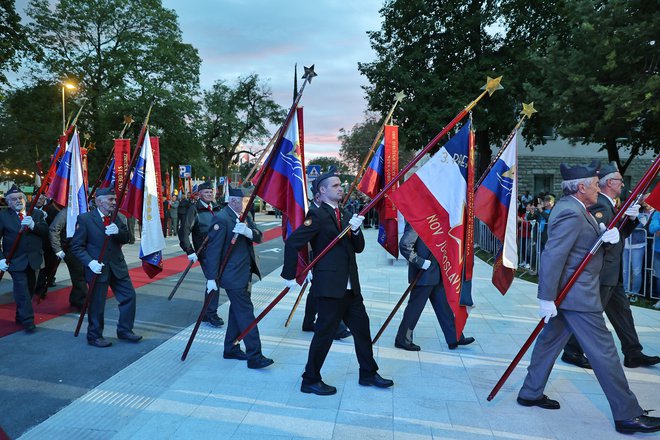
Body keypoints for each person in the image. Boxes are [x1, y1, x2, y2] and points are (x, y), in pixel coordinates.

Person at [516, 161, 660, 435]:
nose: (599, 187)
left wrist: (606, 240)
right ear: (581, 188)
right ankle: (628, 414)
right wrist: (545, 297)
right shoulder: (570, 212)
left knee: (548, 344)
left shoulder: (578, 209)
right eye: (595, 184)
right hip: (578, 297)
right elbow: (553, 255)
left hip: (571, 295)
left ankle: (530, 392)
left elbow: (579, 250)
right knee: (606, 354)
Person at [282, 171, 393, 396]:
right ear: (322, 191)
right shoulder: (317, 215)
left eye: (340, 185)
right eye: (334, 185)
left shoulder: (346, 213)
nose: (340, 188)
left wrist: (355, 230)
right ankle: (310, 379)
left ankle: (368, 373)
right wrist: (289, 276)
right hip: (330, 288)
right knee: (324, 334)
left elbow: (358, 248)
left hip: (351, 287)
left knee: (362, 331)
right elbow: (293, 243)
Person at [561, 162, 659, 369]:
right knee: (592, 314)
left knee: (622, 312)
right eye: (620, 181)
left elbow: (619, 235)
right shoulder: (600, 206)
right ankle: (571, 351)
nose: (623, 185)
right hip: (603, 271)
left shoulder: (611, 204)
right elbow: (597, 239)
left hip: (613, 272)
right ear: (609, 183)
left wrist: (630, 220)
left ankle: (633, 352)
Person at [203, 187, 273, 369]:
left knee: (236, 313)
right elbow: (213, 250)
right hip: (232, 275)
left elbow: (259, 236)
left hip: (245, 272)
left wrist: (248, 232)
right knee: (246, 314)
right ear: (234, 200)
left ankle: (231, 348)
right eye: (244, 200)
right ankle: (255, 355)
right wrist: (211, 278)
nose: (247, 204)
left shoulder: (245, 217)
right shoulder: (221, 218)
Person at [70, 187, 142, 347]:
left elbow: (127, 238)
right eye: (111, 199)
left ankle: (125, 330)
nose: (114, 203)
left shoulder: (117, 218)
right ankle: (94, 335)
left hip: (117, 267)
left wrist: (118, 232)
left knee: (129, 296)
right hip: (98, 268)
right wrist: (90, 262)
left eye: (115, 199)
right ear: (99, 201)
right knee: (97, 303)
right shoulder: (86, 219)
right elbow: (76, 247)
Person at [395, 221, 475, 351]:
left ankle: (454, 337)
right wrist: (420, 262)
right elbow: (405, 245)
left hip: (437, 272)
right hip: (423, 274)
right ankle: (402, 339)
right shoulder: (417, 219)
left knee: (444, 307)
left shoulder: (435, 217)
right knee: (415, 308)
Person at [301, 182, 352, 340]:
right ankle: (336, 327)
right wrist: (307, 267)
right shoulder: (314, 213)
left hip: (327, 264)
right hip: (318, 262)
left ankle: (309, 322)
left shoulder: (334, 211)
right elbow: (306, 243)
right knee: (325, 296)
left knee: (316, 293)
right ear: (318, 195)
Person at [0, 185, 49, 332]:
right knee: (21, 289)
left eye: (20, 198)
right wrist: (1, 258)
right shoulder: (3, 216)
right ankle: (28, 320)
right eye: (13, 199)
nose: (18, 201)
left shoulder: (36, 214)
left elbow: (45, 232)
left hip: (34, 259)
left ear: (25, 199)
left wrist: (33, 225)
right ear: (8, 202)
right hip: (15, 260)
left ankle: (20, 314)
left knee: (29, 289)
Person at [178, 181, 224, 327]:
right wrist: (189, 250)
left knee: (215, 280)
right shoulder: (194, 209)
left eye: (211, 192)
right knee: (214, 280)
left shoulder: (218, 208)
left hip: (220, 251)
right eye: (206, 192)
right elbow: (184, 231)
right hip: (205, 252)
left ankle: (206, 312)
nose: (209, 194)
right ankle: (211, 314)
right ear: (199, 194)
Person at [49, 208, 87, 310]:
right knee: (79, 277)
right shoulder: (66, 212)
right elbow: (54, 229)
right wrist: (57, 249)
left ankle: (75, 300)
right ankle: (81, 303)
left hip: (86, 249)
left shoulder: (88, 209)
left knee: (82, 276)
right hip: (71, 249)